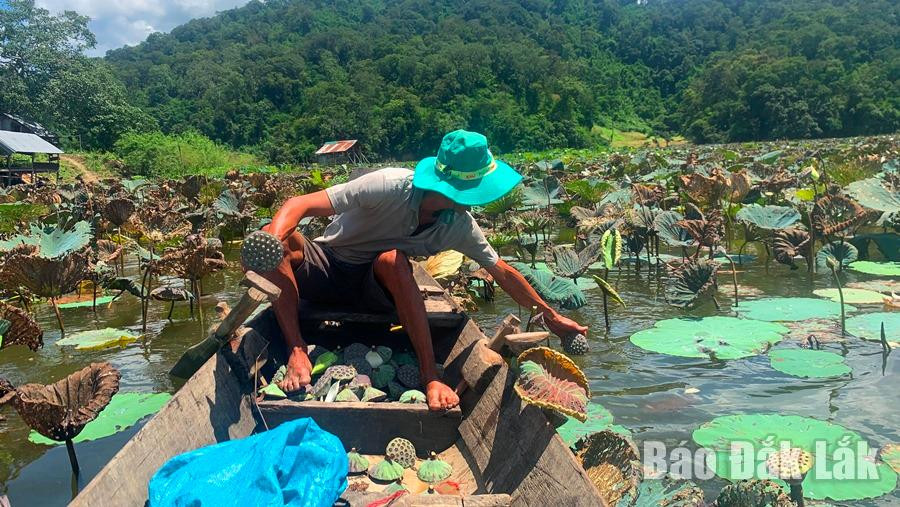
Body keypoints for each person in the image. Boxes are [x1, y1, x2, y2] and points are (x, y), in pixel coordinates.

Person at [260, 130, 588, 411]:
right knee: (273, 236)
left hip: (375, 290)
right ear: (458, 188)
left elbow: (501, 272)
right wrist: (271, 242)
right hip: (327, 267)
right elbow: (297, 205)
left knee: (393, 259)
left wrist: (551, 316)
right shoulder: (386, 186)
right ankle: (297, 349)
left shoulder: (458, 225)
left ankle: (430, 375)